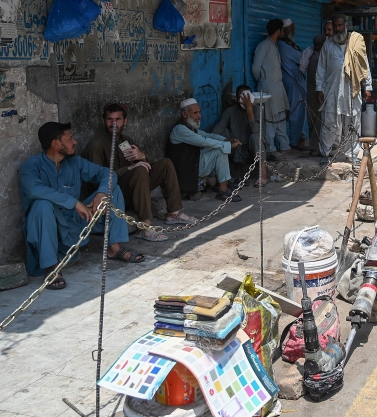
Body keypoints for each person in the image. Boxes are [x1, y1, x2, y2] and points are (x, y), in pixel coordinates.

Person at [20, 122, 144, 289]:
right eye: (70, 139)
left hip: (75, 224)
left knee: (112, 190)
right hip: (49, 230)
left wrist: (101, 193)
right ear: (56, 144)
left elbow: (109, 173)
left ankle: (114, 247)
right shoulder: (31, 166)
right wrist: (74, 203)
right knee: (42, 205)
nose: (75, 142)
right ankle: (51, 266)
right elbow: (35, 190)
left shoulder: (75, 162)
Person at [83, 103, 196, 243]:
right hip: (114, 195)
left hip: (134, 190)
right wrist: (129, 169)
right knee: (139, 170)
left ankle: (173, 213)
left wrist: (142, 156)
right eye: (109, 119)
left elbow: (150, 165)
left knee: (165, 164)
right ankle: (145, 226)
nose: (114, 123)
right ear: (103, 121)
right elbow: (96, 181)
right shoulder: (97, 145)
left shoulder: (126, 140)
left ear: (125, 121)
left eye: (118, 119)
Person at [316, 14, 372, 165]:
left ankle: (351, 154)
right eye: (335, 26)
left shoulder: (355, 44)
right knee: (329, 123)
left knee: (353, 123)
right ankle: (325, 153)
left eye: (340, 25)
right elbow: (321, 69)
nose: (338, 29)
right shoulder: (328, 46)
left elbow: (364, 66)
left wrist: (367, 86)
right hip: (332, 91)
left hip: (351, 91)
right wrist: (319, 89)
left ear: (346, 26)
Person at [170, 98, 242, 202]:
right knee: (220, 150)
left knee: (218, 146)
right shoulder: (180, 130)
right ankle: (223, 189)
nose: (199, 116)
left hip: (193, 164)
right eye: (195, 113)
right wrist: (227, 145)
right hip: (187, 170)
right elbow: (203, 141)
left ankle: (223, 181)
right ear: (185, 114)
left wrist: (228, 140)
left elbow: (208, 136)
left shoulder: (190, 127)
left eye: (199, 112)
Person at [212, 85, 269, 187]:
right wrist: (230, 141)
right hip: (236, 150)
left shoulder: (257, 109)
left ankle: (263, 175)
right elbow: (216, 132)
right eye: (242, 97)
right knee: (222, 133)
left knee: (255, 137)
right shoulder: (230, 111)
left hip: (252, 150)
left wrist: (249, 109)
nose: (245, 99)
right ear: (237, 99)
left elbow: (256, 131)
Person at [252, 18, 291, 160]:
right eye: (282, 29)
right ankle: (271, 148)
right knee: (269, 118)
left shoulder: (275, 45)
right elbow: (255, 68)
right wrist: (264, 81)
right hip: (268, 88)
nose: (283, 32)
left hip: (278, 88)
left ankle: (285, 146)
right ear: (278, 31)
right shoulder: (264, 46)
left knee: (280, 116)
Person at [278, 18, 307, 150]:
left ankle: (297, 137)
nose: (294, 32)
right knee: (296, 112)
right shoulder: (283, 46)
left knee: (298, 111)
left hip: (296, 81)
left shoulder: (288, 44)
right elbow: (301, 58)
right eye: (292, 29)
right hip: (292, 82)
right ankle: (294, 141)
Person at [304, 35, 327, 157]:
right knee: (317, 121)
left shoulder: (313, 57)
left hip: (312, 92)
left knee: (314, 120)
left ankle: (315, 146)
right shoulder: (318, 59)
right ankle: (315, 147)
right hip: (318, 93)